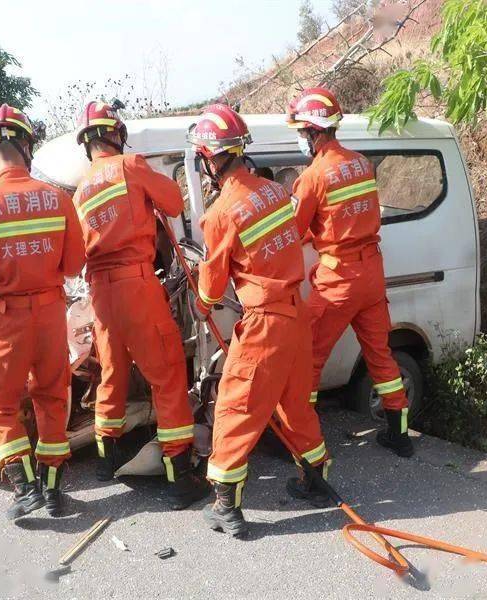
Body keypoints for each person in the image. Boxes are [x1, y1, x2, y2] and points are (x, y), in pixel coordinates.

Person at [189, 104, 330, 538]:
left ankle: (227, 507)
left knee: (236, 405)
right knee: (294, 404)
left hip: (265, 323)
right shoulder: (271, 191)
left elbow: (213, 282)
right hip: (295, 313)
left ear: (211, 159)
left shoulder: (220, 213)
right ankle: (316, 479)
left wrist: (202, 303)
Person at [72, 100, 209, 511]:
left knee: (112, 369)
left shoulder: (80, 190)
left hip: (100, 291)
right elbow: (174, 204)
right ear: (116, 134)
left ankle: (105, 458)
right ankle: (180, 476)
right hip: (135, 282)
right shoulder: (130, 166)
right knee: (167, 376)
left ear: (86, 143)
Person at [0, 104, 84, 519]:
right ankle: (52, 491)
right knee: (51, 400)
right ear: (26, 146)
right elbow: (74, 265)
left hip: (6, 319)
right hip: (51, 316)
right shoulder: (58, 198)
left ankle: (24, 488)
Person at [287, 87, 413, 457]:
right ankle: (400, 434)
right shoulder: (361, 164)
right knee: (380, 355)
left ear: (313, 133)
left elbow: (294, 230)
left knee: (308, 356)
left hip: (338, 279)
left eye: (302, 133)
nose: (301, 140)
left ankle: (302, 438)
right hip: (372, 273)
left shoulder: (313, 176)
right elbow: (354, 214)